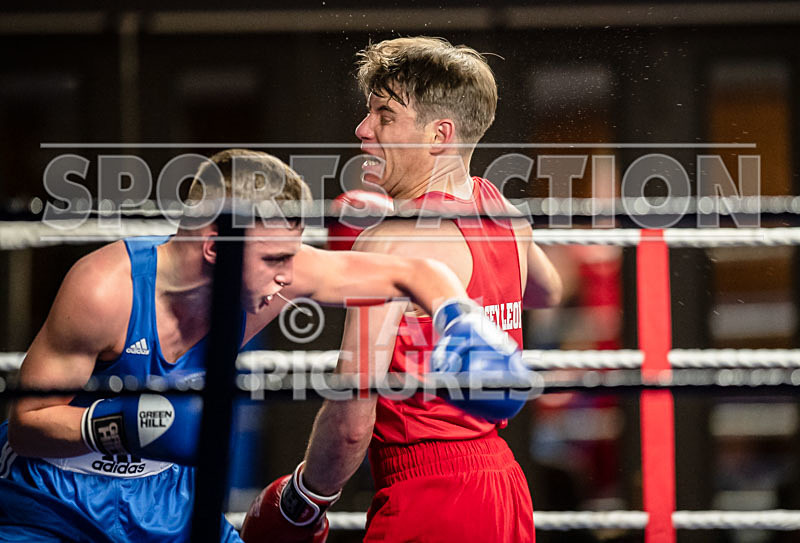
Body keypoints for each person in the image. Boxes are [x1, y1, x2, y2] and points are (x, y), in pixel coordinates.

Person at [0, 148, 516, 543]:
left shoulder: (278, 271)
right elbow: (26, 427)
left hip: (164, 497)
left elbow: (413, 271)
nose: (288, 276)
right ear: (215, 248)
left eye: (290, 254)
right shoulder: (106, 289)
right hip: (50, 498)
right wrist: (124, 424)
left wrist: (460, 319)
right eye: (274, 259)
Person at [243, 37, 563, 543]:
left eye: (384, 116)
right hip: (504, 489)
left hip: (430, 494)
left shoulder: (394, 241)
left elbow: (353, 418)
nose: (363, 129)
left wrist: (304, 497)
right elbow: (547, 292)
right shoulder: (504, 212)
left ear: (439, 134)